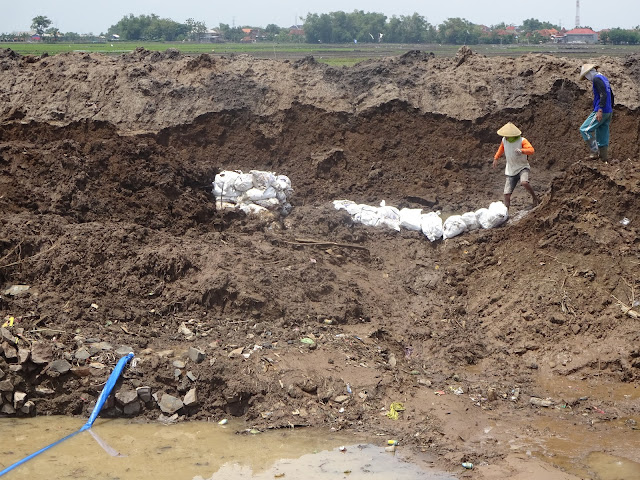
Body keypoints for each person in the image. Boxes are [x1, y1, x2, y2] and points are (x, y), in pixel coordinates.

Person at [492, 122, 539, 210]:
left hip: (522, 167)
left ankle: (535, 198)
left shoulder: (522, 140)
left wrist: (522, 151)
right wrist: (496, 158)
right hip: (511, 169)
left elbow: (531, 150)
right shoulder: (504, 140)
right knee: (506, 194)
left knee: (524, 182)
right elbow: (501, 149)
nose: (505, 136)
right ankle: (506, 212)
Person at [579, 63, 613, 162]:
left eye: (586, 76)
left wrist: (600, 110)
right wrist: (610, 108)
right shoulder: (604, 78)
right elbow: (611, 94)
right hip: (608, 110)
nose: (587, 79)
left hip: (601, 110)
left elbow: (603, 95)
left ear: (588, 73)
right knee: (602, 133)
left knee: (585, 129)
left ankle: (594, 152)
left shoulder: (596, 79)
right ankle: (604, 158)